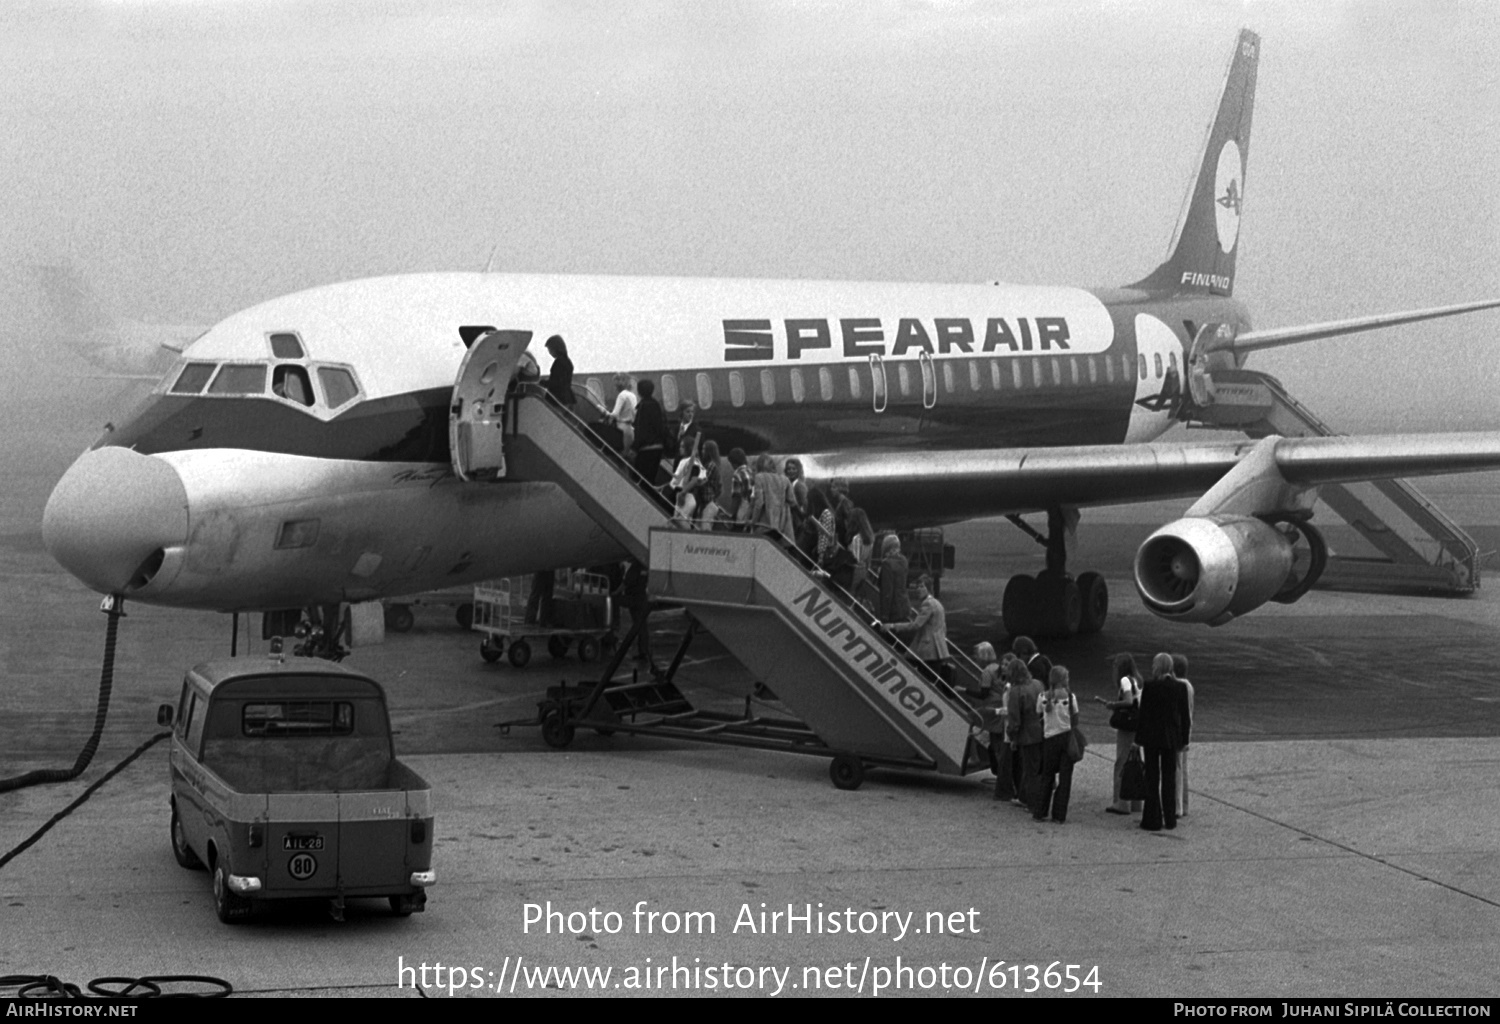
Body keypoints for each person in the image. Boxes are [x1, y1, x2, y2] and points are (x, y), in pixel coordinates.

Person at [1136, 652, 1192, 832]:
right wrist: (1184, 739)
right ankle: (1170, 817)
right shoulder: (1179, 687)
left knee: (1152, 777)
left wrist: (1138, 739)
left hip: (1152, 737)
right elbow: (1185, 717)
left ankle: (1152, 818)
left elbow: (1143, 715)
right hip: (1171, 737)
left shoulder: (1150, 687)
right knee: (1169, 777)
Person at [1095, 652, 1144, 815]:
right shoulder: (1137, 679)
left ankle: (1121, 802)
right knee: (1135, 761)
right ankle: (1136, 802)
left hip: (1127, 726)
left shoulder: (1125, 680)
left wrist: (1113, 705)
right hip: (1137, 724)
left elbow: (1129, 701)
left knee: (1121, 762)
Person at [1034, 664, 1080, 823]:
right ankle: (1059, 814)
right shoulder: (1070, 697)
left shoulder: (1043, 697)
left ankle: (1040, 811)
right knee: (1065, 777)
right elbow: (1075, 719)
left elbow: (1038, 715)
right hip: (1066, 738)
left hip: (1049, 738)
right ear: (1063, 679)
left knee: (1047, 776)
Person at [889, 575, 950, 685]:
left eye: (921, 586)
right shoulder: (937, 603)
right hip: (939, 650)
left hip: (927, 650)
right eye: (917, 587)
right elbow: (943, 627)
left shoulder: (928, 604)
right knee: (932, 681)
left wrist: (894, 626)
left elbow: (916, 625)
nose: (918, 590)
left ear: (928, 588)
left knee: (921, 678)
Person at [1005, 658, 1044, 810]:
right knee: (1035, 766)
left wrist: (1012, 737)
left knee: (1029, 769)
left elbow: (1014, 719)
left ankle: (1031, 802)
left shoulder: (1016, 691)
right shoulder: (1037, 684)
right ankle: (1024, 796)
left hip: (1026, 733)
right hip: (1040, 729)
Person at [632, 379, 668, 487]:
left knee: (639, 479)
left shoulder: (643, 406)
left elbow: (640, 429)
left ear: (639, 391)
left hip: (646, 449)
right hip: (658, 447)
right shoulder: (656, 405)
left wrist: (634, 447)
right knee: (650, 479)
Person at [749, 454, 795, 539]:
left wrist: (753, 521)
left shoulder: (759, 477)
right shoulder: (785, 479)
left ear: (760, 466)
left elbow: (759, 503)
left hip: (765, 525)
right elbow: (792, 501)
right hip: (781, 526)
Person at [1172, 653, 1195, 818]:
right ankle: (1183, 805)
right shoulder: (1188, 685)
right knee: (1182, 769)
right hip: (1185, 732)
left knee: (1176, 769)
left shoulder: (1179, 686)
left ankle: (1177, 806)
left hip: (1177, 732)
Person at [875, 534, 910, 623]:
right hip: (904, 606)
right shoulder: (904, 560)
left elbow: (887, 592)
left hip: (893, 610)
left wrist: (884, 615)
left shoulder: (887, 565)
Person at [696, 439, 726, 528]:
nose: (702, 452)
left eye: (704, 449)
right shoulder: (712, 465)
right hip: (708, 502)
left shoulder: (711, 465)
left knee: (705, 528)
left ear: (709, 452)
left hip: (708, 502)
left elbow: (702, 480)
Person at [608, 374, 637, 453]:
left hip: (621, 427)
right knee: (627, 453)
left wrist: (603, 410)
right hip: (630, 429)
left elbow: (615, 414)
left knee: (620, 452)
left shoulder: (622, 395)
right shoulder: (632, 395)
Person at [544, 335, 575, 407]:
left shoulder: (559, 362)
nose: (549, 352)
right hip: (568, 398)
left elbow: (557, 383)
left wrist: (543, 383)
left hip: (558, 399)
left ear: (556, 348)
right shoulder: (567, 361)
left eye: (550, 349)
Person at [727, 448, 755, 525]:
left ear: (734, 463)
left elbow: (737, 496)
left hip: (743, 507)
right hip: (753, 508)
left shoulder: (737, 474)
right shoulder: (751, 471)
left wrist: (731, 514)